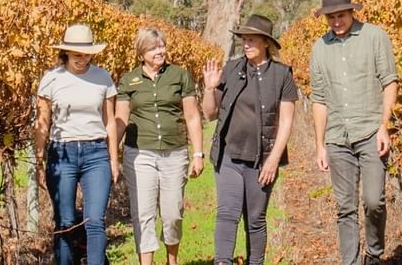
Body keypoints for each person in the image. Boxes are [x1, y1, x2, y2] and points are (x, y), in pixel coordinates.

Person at [309, 0, 399, 265]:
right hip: (337, 138)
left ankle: (373, 254)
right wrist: (320, 145)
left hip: (371, 131)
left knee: (374, 201)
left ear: (351, 11)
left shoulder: (375, 37)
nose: (336, 22)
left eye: (340, 16)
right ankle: (350, 261)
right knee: (345, 208)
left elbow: (389, 82)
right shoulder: (319, 49)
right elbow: (319, 100)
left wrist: (385, 125)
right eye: (330, 17)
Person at [202, 14, 298, 265]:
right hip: (229, 156)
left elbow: (286, 121)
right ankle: (222, 261)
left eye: (251, 40)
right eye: (244, 39)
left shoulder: (282, 74)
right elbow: (209, 113)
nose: (246, 44)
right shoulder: (232, 69)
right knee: (227, 213)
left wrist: (273, 160)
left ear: (266, 42)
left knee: (255, 219)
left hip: (262, 159)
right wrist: (210, 88)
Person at [115, 27, 205, 265]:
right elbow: (121, 120)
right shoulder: (128, 80)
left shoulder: (179, 76)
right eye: (153, 48)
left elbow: (193, 116)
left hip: (174, 153)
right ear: (141, 52)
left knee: (172, 213)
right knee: (143, 213)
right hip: (140, 154)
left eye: (161, 46)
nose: (159, 51)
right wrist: (111, 153)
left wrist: (198, 154)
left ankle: (171, 260)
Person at [34, 23, 120, 265]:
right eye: (76, 55)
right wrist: (39, 162)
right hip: (63, 153)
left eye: (86, 54)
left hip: (96, 153)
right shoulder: (52, 79)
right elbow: (42, 124)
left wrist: (114, 160)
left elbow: (110, 121)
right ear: (66, 53)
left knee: (95, 221)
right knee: (65, 222)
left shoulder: (103, 78)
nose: (82, 59)